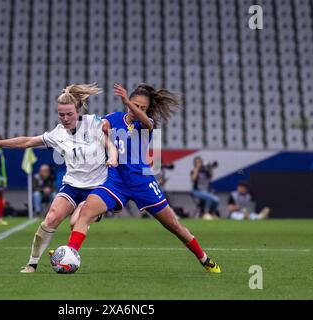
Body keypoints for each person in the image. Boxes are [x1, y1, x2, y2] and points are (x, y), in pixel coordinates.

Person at [66, 83, 221, 273]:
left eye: (143, 107)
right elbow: (95, 124)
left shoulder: (146, 123)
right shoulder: (114, 119)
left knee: (174, 226)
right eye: (135, 104)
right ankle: (69, 254)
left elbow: (147, 122)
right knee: (88, 209)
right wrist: (86, 116)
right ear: (128, 102)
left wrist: (128, 103)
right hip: (116, 182)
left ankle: (205, 259)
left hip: (143, 183)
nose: (138, 109)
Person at [0, 83, 118, 273]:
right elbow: (27, 141)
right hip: (72, 185)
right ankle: (32, 263)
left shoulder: (94, 123)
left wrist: (113, 157)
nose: (66, 118)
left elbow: (110, 144)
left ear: (78, 110)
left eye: (69, 114)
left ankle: (73, 249)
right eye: (61, 114)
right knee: (50, 218)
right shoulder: (57, 133)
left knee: (76, 222)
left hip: (97, 187)